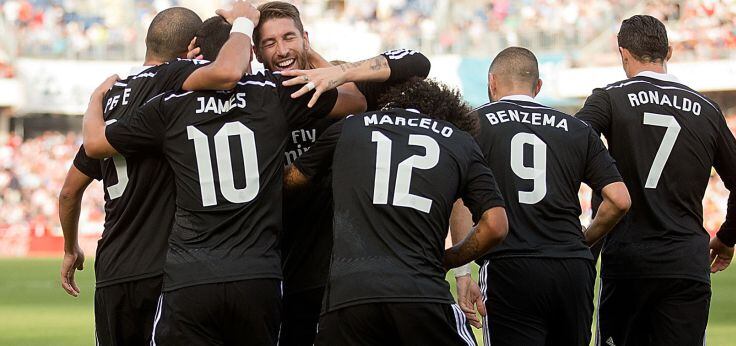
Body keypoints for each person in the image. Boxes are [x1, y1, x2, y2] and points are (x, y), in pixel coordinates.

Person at [81, 15, 414, 345]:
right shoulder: (272, 94)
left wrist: (96, 101)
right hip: (260, 273)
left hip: (191, 275)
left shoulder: (169, 106)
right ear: (249, 53)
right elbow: (356, 100)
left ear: (195, 55)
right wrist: (310, 55)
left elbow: (95, 144)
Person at [58, 3, 264, 344]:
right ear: (191, 48)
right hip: (166, 268)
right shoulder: (174, 82)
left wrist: (70, 248)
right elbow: (228, 72)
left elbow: (68, 192)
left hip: (113, 268)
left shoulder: (111, 102)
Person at [248, 2, 431, 344]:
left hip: (355, 275)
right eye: (270, 43)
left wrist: (340, 72)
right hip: (291, 272)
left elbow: (417, 63)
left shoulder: (345, 86)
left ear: (306, 39)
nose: (283, 49)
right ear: (257, 52)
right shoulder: (261, 99)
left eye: (290, 37)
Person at [284, 78, 509, 346]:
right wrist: (449, 259)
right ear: (448, 114)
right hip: (421, 291)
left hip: (348, 297)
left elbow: (290, 181)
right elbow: (495, 225)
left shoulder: (349, 127)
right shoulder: (458, 140)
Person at [576, 15, 736, 346]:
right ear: (668, 52)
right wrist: (727, 237)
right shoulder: (707, 109)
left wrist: (600, 181)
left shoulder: (609, 98)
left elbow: (570, 144)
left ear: (623, 54)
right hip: (686, 263)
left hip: (628, 262)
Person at [452, 46, 631, 346]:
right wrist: (585, 240)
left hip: (509, 266)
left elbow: (458, 199)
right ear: (538, 87)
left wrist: (462, 272)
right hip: (571, 268)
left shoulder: (472, 125)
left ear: (492, 82)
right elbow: (619, 199)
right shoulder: (577, 128)